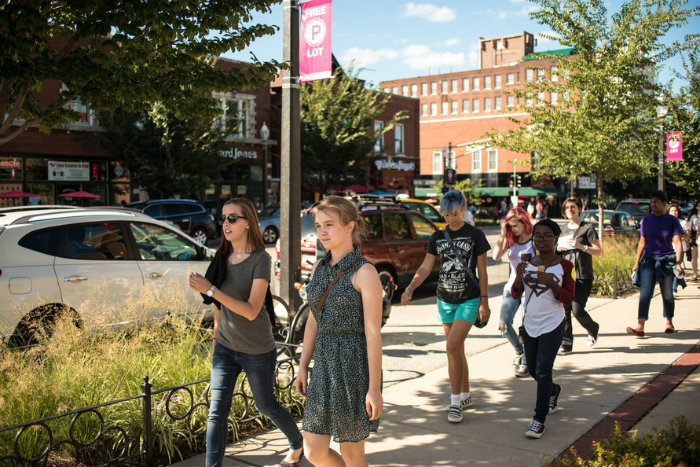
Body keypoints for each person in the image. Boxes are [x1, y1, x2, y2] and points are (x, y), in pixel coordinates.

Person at [188, 198, 304, 467]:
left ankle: (296, 443)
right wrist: (216, 339)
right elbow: (220, 307)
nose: (225, 224)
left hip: (257, 348)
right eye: (223, 218)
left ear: (248, 223)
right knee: (216, 412)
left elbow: (252, 310)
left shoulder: (261, 260)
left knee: (265, 404)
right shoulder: (221, 257)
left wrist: (209, 289)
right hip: (226, 348)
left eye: (232, 218)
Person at [294, 196, 383, 467]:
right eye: (318, 225)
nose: (321, 231)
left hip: (353, 368)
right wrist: (302, 366)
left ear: (349, 227)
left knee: (352, 453)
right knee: (313, 450)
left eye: (329, 224)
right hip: (324, 367)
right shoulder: (320, 269)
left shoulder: (365, 272)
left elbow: (373, 333)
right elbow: (313, 319)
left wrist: (374, 389)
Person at [401, 189, 490, 423]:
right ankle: (466, 394)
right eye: (447, 215)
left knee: (451, 347)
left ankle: (455, 402)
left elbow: (482, 270)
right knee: (457, 349)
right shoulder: (438, 237)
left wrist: (484, 301)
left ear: (463, 209)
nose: (451, 219)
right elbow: (425, 267)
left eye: (455, 213)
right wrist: (410, 287)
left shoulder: (475, 234)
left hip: (469, 298)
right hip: (444, 300)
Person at [511, 219, 575, 439]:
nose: (541, 239)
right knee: (534, 371)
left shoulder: (565, 266)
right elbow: (515, 293)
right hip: (530, 324)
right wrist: (519, 276)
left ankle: (539, 419)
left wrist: (552, 282)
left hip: (553, 324)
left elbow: (568, 298)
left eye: (547, 235)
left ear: (556, 238)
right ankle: (553, 390)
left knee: (543, 370)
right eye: (537, 235)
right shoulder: (528, 262)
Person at [627, 191, 685, 337]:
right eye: (651, 202)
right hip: (649, 260)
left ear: (664, 204)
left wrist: (678, 262)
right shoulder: (646, 220)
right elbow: (642, 242)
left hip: (667, 260)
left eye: (656, 202)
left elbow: (677, 242)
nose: (653, 205)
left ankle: (669, 321)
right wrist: (636, 262)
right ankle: (640, 325)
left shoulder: (672, 220)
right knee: (645, 294)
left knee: (667, 294)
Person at [492, 207, 534, 377]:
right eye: (510, 226)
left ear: (524, 223)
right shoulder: (511, 241)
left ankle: (526, 362)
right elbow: (495, 256)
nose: (514, 229)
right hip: (511, 287)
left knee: (527, 327)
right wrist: (503, 234)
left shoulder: (534, 241)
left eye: (516, 226)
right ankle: (519, 351)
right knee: (503, 324)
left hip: (529, 289)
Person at [556, 197, 602, 354]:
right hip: (565, 275)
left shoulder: (587, 228)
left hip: (583, 275)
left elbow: (598, 250)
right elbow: (553, 250)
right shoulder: (561, 229)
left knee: (577, 309)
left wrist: (581, 246)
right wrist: (558, 249)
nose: (570, 210)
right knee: (565, 309)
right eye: (567, 208)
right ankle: (566, 343)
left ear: (580, 209)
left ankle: (593, 327)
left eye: (573, 207)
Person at [669, 203, 689, 296]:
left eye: (675, 210)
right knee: (673, 269)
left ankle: (673, 290)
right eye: (672, 210)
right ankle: (681, 280)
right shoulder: (665, 222)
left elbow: (687, 236)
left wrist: (678, 239)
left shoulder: (683, 223)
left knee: (675, 268)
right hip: (668, 249)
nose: (674, 212)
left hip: (680, 249)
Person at [688, 202, 699, 281]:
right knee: (694, 256)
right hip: (695, 237)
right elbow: (689, 228)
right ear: (696, 207)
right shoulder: (693, 217)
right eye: (699, 206)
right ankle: (695, 274)